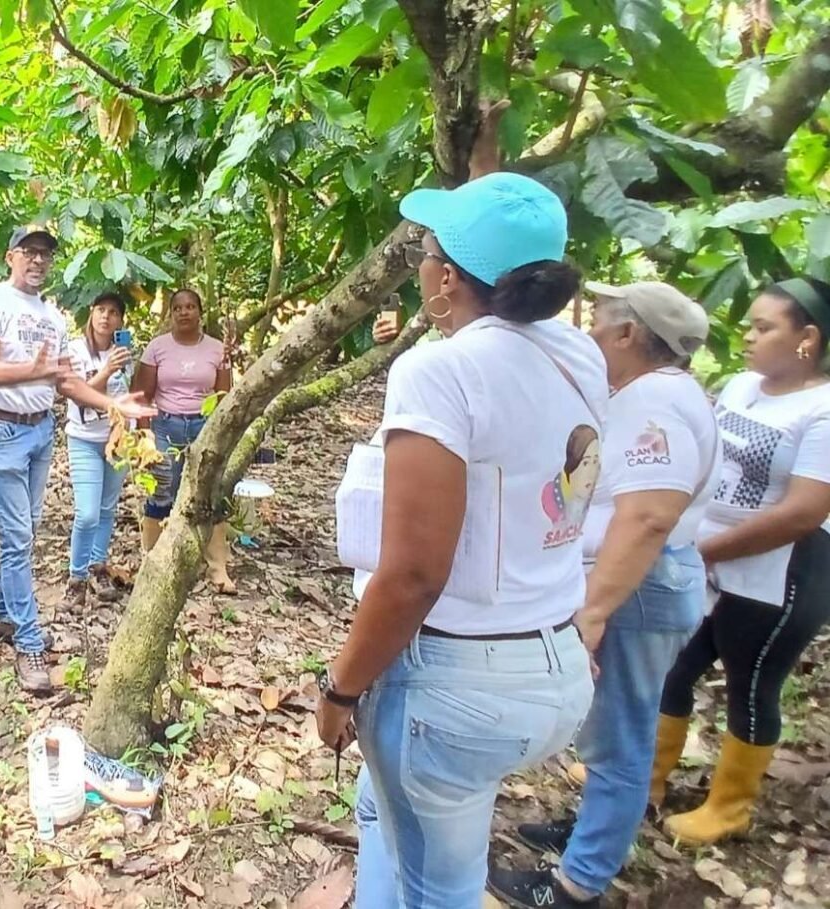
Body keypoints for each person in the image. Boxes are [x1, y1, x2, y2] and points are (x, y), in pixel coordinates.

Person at [319, 172, 604, 909]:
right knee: (386, 809)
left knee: (439, 887)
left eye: (425, 252)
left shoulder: (439, 371)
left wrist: (340, 687)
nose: (419, 265)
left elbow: (413, 573)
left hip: (454, 687)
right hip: (555, 666)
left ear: (446, 276)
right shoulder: (581, 356)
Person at [488, 283, 721, 908]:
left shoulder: (657, 406)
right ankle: (590, 833)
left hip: (637, 589)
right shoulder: (649, 396)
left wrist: (592, 613)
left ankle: (575, 885)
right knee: (610, 732)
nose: (588, 334)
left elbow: (647, 517)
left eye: (599, 323)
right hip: (635, 584)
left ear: (627, 335)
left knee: (621, 741)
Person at [651, 277, 830, 845]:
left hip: (782, 570)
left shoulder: (822, 410)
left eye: (763, 327)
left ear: (807, 338)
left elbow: (803, 511)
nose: (747, 337)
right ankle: (647, 775)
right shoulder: (741, 388)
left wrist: (705, 549)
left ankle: (729, 806)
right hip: (710, 554)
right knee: (675, 664)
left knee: (752, 681)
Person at [0, 225, 154, 693]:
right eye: (29, 252)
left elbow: (65, 382)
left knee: (24, 529)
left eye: (46, 254)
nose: (39, 261)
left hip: (39, 431)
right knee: (19, 537)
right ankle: (29, 642)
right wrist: (30, 371)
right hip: (0, 427)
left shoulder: (53, 316)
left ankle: (5, 616)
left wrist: (112, 404)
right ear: (11, 257)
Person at [134, 288, 235, 592]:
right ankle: (151, 560)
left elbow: (224, 396)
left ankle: (217, 568)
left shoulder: (217, 349)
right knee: (163, 490)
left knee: (209, 493)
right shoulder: (157, 347)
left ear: (200, 312)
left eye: (191, 306)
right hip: (166, 425)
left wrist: (223, 433)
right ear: (171, 313)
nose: (184, 312)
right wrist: (144, 436)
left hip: (204, 425)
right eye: (178, 308)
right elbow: (143, 394)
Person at [65, 290, 134, 607]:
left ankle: (97, 567)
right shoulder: (76, 351)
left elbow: (129, 397)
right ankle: (76, 576)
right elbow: (79, 394)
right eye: (101, 310)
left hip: (117, 441)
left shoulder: (125, 352)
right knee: (88, 513)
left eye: (114, 312)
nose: (107, 317)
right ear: (91, 314)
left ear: (121, 320)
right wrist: (107, 370)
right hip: (84, 439)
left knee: (107, 509)